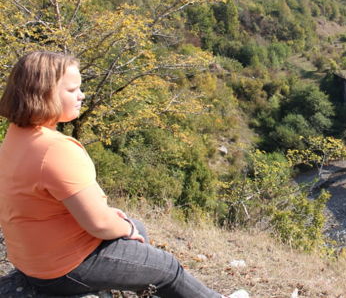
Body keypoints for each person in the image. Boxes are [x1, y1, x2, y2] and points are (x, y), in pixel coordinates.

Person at [0, 51, 247, 298]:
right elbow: (98, 224)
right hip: (63, 268)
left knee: (137, 228)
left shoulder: (15, 137)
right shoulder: (55, 149)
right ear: (46, 94)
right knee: (167, 267)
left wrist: (120, 222)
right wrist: (123, 227)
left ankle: (147, 285)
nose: (82, 95)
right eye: (73, 90)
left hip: (35, 260)